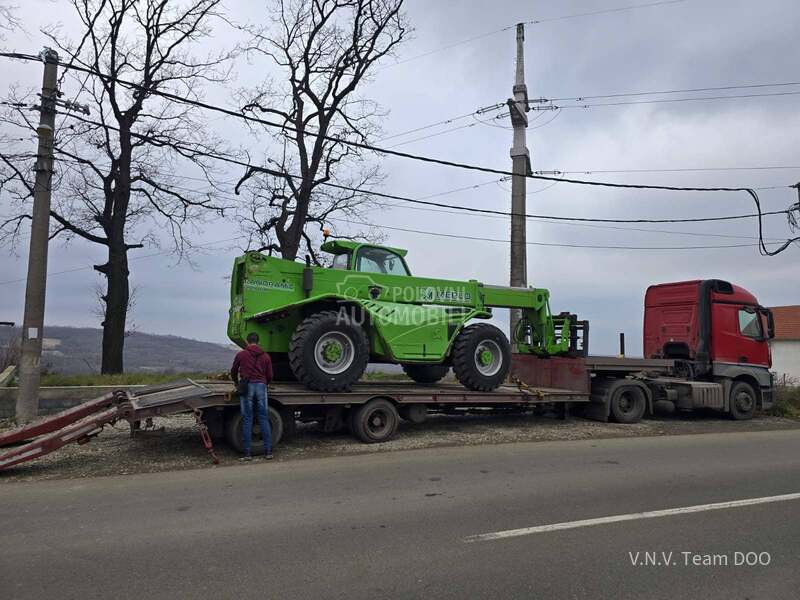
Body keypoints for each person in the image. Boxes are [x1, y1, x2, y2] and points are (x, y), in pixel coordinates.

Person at [230, 332, 274, 461]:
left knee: (248, 418)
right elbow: (270, 375)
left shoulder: (241, 354)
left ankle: (248, 454)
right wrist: (266, 383)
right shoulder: (266, 356)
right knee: (263, 418)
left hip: (247, 386)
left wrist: (237, 383)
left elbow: (233, 370)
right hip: (261, 386)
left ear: (247, 342)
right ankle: (268, 452)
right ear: (258, 341)